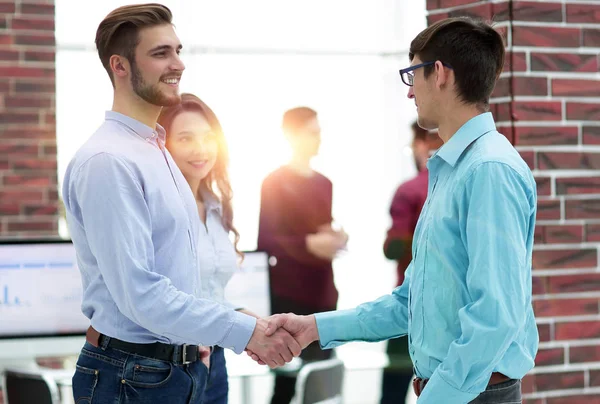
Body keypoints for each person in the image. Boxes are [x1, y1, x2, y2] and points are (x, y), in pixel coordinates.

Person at [255, 17, 539, 404]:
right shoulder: (451, 170)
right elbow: (411, 302)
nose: (409, 94)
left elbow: (495, 316)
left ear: (438, 74)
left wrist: (434, 399)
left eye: (412, 76)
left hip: (472, 395)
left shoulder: (489, 169)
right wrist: (314, 327)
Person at [62, 4, 300, 404]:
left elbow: (186, 283)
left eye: (178, 50)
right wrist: (243, 332)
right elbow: (142, 296)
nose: (179, 64)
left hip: (177, 370)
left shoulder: (155, 152)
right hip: (132, 375)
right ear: (119, 66)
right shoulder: (109, 161)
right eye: (160, 53)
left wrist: (244, 322)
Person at [158, 93, 261, 403]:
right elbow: (161, 294)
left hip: (214, 359)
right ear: (164, 144)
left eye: (208, 137)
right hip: (169, 364)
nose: (200, 149)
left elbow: (206, 294)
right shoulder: (160, 209)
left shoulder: (216, 207)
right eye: (186, 138)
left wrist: (253, 320)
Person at [257, 107, 348, 404]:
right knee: (285, 386)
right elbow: (267, 240)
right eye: (313, 131)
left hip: (323, 299)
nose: (319, 138)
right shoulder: (273, 182)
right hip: (289, 300)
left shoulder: (325, 183)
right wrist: (310, 243)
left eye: (319, 131)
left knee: (321, 387)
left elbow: (321, 228)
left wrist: (335, 237)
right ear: (292, 136)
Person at [380, 121, 434, 404]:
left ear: (422, 145)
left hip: (409, 308)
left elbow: (392, 248)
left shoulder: (410, 190)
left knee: (392, 394)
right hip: (450, 315)